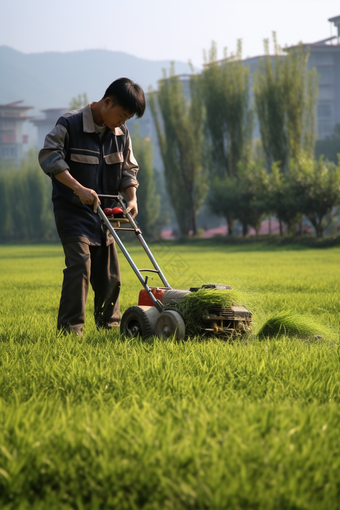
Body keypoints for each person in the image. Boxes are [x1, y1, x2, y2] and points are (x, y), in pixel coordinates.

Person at [39, 78, 145, 336]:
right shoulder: (69, 123)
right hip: (72, 210)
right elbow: (49, 157)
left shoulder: (121, 134)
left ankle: (109, 328)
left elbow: (128, 169)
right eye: (122, 115)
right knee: (80, 265)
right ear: (107, 102)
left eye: (128, 118)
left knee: (110, 276)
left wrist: (132, 198)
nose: (123, 122)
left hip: (105, 214)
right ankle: (71, 332)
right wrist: (78, 188)